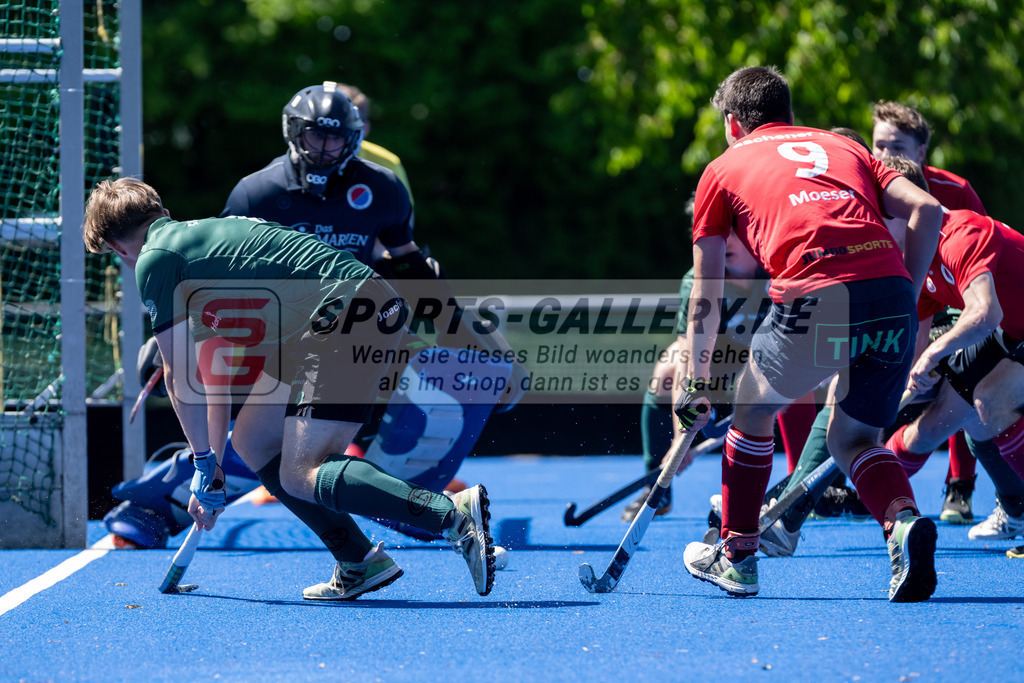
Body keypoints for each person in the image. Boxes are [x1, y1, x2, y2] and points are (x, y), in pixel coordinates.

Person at [82, 177, 498, 599]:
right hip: (339, 316)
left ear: (116, 249)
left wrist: (203, 465)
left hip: (340, 315)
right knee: (252, 440)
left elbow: (176, 374)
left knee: (302, 473)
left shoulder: (155, 261)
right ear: (162, 212)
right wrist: (211, 468)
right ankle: (358, 560)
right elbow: (212, 379)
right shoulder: (199, 246)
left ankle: (450, 514)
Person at [677, 66, 943, 602]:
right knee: (855, 441)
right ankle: (903, 521)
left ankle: (737, 557)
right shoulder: (843, 148)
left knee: (751, 409)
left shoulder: (723, 168)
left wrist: (695, 383)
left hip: (814, 290)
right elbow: (928, 209)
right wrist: (904, 294)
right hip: (889, 295)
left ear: (732, 123)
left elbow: (707, 292)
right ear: (790, 114)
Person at [220, 81, 523, 505]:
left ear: (355, 137)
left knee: (296, 463)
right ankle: (407, 507)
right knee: (274, 454)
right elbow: (223, 277)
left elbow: (409, 264)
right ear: (293, 131)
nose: (325, 148)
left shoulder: (383, 184)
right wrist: (178, 340)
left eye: (335, 137)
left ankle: (412, 502)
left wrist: (456, 325)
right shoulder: (256, 193)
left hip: (355, 328)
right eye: (315, 135)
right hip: (279, 332)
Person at [624, 203, 817, 522]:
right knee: (667, 368)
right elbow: (689, 356)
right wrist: (680, 439)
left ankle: (805, 481)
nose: (723, 242)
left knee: (793, 369)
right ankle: (658, 483)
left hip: (772, 358)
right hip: (719, 365)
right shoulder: (698, 279)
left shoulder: (778, 267)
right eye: (713, 234)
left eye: (731, 233)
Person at [875, 158, 1024, 557]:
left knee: (989, 402)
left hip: (1004, 328)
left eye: (876, 215)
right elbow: (915, 346)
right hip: (1012, 334)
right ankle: (1016, 509)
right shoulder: (917, 264)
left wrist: (936, 354)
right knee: (943, 424)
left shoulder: (960, 233)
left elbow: (985, 313)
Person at [872, 100, 989, 524]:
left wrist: (943, 346)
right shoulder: (866, 188)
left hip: (962, 297)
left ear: (921, 152)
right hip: (915, 294)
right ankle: (867, 474)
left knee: (965, 380)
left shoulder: (955, 193)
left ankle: (961, 483)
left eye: (896, 146)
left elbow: (979, 272)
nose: (884, 156)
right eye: (878, 145)